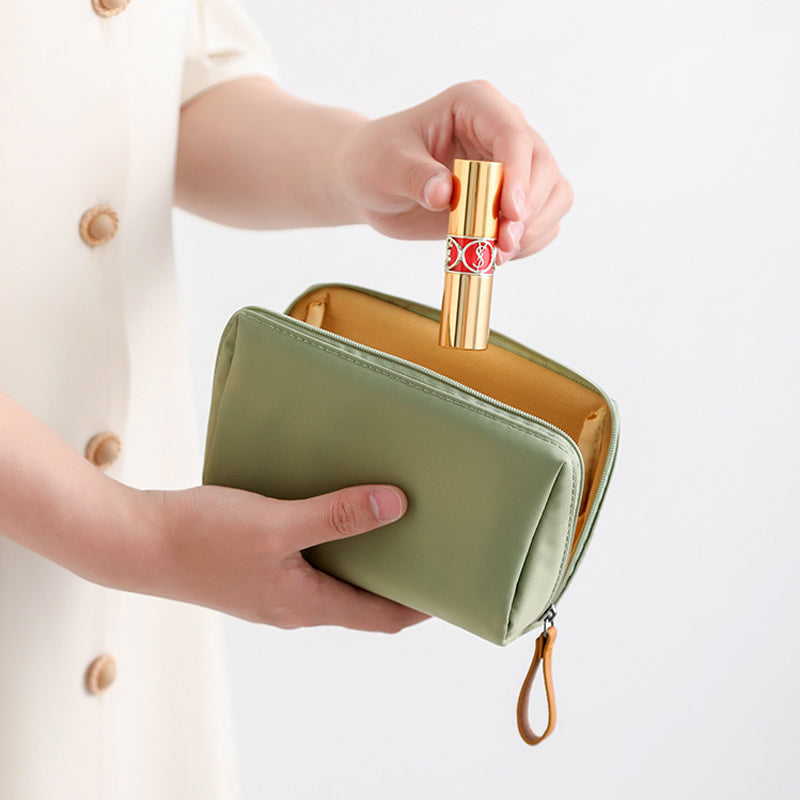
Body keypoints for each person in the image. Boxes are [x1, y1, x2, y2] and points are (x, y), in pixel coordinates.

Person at [0, 0, 573, 797]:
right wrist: (138, 538)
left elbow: (172, 93)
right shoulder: (148, 542)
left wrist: (358, 159)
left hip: (143, 593)